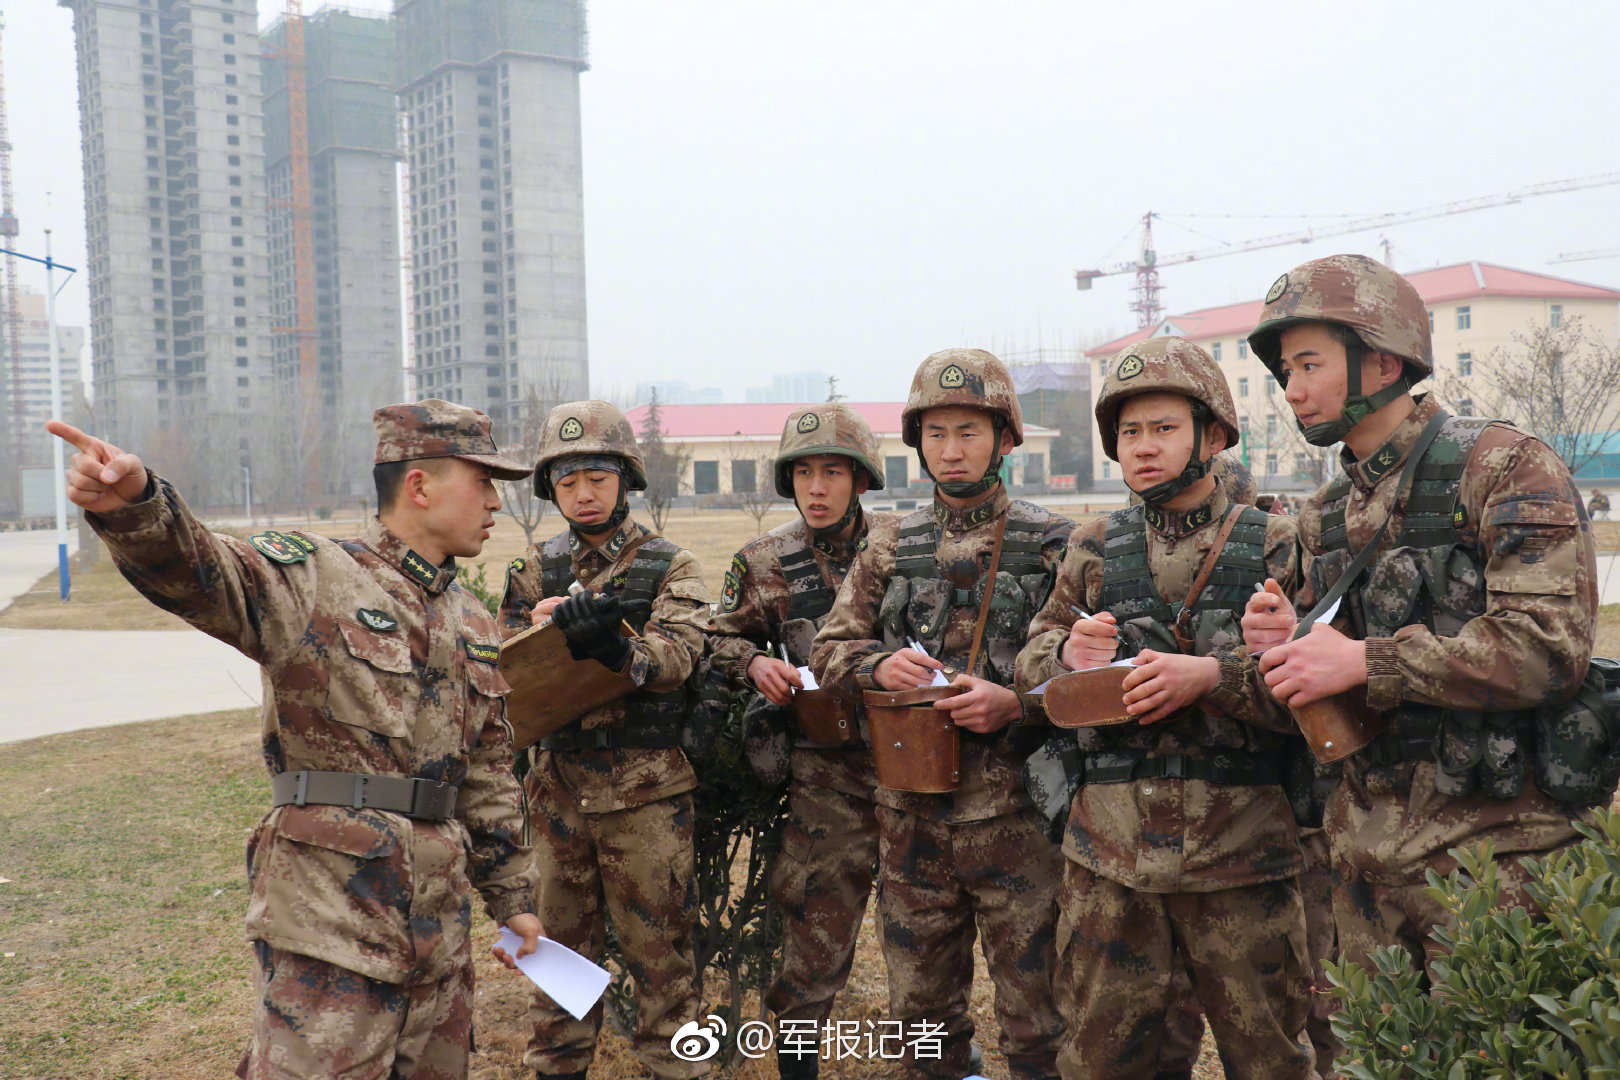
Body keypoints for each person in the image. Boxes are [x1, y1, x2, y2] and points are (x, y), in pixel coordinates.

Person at [47, 401, 543, 1080]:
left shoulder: (472, 621)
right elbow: (200, 569)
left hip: (439, 928)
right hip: (330, 914)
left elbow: (486, 774)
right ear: (419, 486)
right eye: (481, 481)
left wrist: (513, 901)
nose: (495, 500)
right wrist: (136, 504)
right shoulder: (314, 577)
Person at [1241, 253, 1599, 974]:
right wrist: (1287, 646)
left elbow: (1548, 648)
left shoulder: (1502, 467)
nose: (1292, 390)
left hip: (1501, 862)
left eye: (1309, 365)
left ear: (1381, 364)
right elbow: (1319, 687)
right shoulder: (1327, 514)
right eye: (1285, 372)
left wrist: (1365, 660)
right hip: (1366, 864)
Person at [1015, 337, 1313, 1080]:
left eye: (1164, 428)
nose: (1143, 447)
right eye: (1129, 432)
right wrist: (1069, 660)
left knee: (1269, 1060)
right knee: (1102, 1061)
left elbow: (1319, 695)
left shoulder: (1275, 543)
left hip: (1242, 855)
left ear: (1212, 435)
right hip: (1110, 861)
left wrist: (1214, 676)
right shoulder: (1091, 546)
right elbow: (1030, 673)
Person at [811, 348, 1069, 1080]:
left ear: (1006, 438)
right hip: (911, 820)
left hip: (1020, 819)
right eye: (935, 434)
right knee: (921, 1022)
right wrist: (876, 665)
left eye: (968, 432)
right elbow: (832, 648)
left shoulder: (1055, 543)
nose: (950, 450)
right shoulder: (889, 542)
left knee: (1039, 1017)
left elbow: (1092, 677)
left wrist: (1017, 703)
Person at [498, 401, 711, 1080]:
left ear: (625, 478)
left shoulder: (669, 566)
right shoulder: (534, 572)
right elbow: (493, 674)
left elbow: (678, 657)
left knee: (666, 975)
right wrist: (533, 637)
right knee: (557, 969)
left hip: (646, 800)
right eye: (566, 483)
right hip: (556, 798)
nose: (583, 495)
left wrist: (619, 652)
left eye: (596, 477)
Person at [705, 402, 893, 1080]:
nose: (817, 488)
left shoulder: (903, 546)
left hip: (915, 769)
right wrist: (754, 662)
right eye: (805, 473)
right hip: (826, 776)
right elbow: (715, 634)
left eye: (833, 473)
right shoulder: (764, 561)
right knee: (812, 935)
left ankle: (952, 1053)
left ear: (862, 479)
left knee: (930, 933)